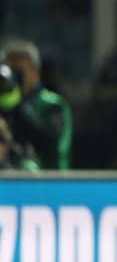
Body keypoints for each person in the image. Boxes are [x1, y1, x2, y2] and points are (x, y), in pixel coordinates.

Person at [0, 39, 72, 170]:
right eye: (9, 71)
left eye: (18, 70)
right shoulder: (3, 104)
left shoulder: (52, 104)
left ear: (35, 70)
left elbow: (49, 143)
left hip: (48, 184)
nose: (13, 76)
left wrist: (16, 106)